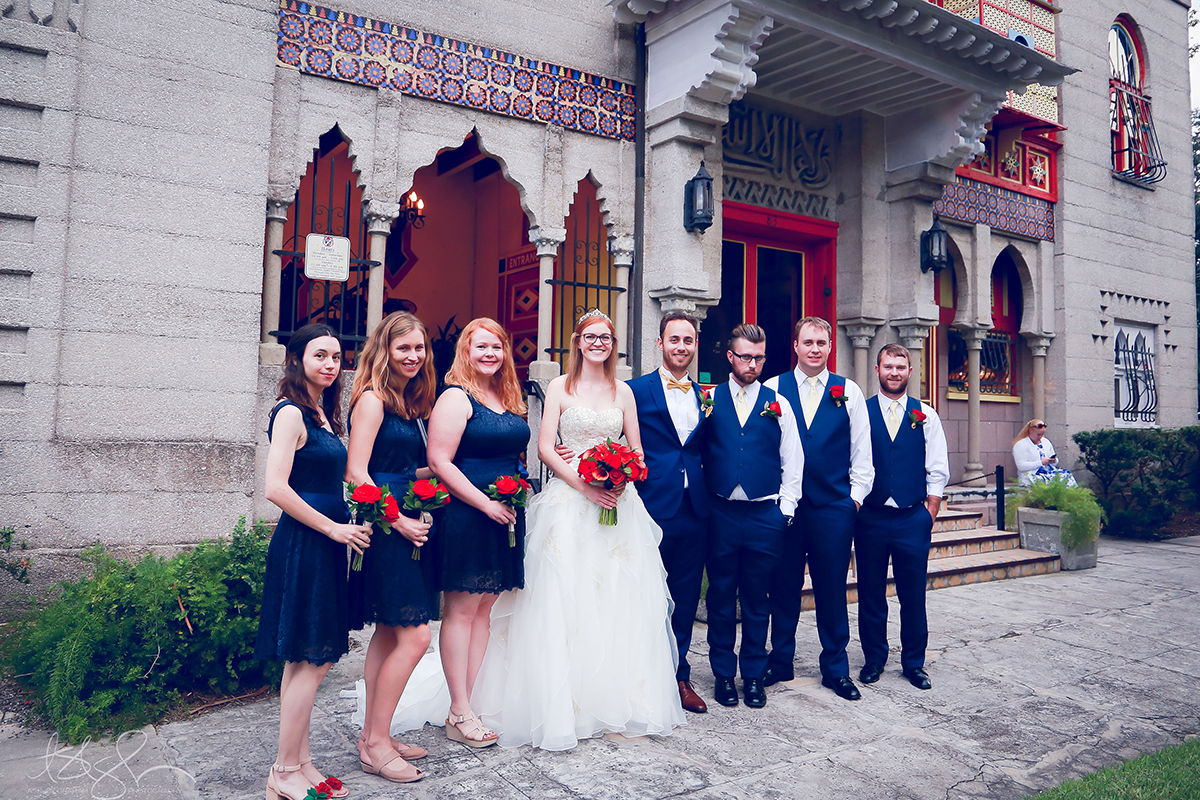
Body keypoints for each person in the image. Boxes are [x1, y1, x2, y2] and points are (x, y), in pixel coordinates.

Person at [473, 309, 685, 750]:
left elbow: (638, 449)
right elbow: (546, 448)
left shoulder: (623, 391)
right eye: (591, 336)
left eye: (606, 338)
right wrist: (585, 485)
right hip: (572, 501)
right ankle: (566, 701)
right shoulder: (559, 387)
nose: (598, 344)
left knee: (616, 596)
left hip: (617, 505)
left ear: (613, 344)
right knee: (566, 597)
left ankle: (613, 695)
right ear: (577, 341)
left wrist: (624, 472)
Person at [257, 323, 371, 800]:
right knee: (315, 659)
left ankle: (300, 762)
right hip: (306, 544)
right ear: (297, 358)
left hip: (326, 544)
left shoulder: (321, 413)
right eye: (319, 355)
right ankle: (283, 770)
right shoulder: (289, 413)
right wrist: (333, 528)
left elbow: (342, 474)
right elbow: (276, 488)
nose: (330, 364)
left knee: (303, 658)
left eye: (336, 357)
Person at [344, 312, 438, 783]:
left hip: (404, 518)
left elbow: (400, 466)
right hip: (384, 526)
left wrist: (437, 475)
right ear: (384, 349)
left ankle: (372, 734)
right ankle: (377, 745)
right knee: (417, 635)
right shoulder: (372, 400)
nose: (413, 356)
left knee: (388, 631)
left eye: (419, 348)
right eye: (404, 348)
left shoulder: (405, 401)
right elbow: (357, 472)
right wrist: (398, 520)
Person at [427, 317, 529, 748]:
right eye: (481, 346)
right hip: (469, 515)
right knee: (461, 612)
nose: (490, 354)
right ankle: (460, 709)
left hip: (505, 515)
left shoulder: (505, 396)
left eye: (498, 347)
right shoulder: (456, 397)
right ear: (466, 352)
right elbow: (440, 461)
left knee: (485, 609)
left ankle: (463, 706)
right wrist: (485, 503)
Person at [763, 316, 874, 701]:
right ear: (795, 345)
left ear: (830, 347)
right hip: (787, 507)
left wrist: (853, 501)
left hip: (832, 508)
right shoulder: (773, 388)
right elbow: (765, 448)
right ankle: (780, 661)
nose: (814, 349)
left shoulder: (850, 392)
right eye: (807, 342)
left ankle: (836, 669)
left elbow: (862, 452)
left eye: (821, 343)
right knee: (783, 586)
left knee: (831, 589)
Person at [701, 324, 803, 709]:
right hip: (722, 512)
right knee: (722, 597)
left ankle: (754, 676)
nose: (752, 364)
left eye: (759, 357)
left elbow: (793, 460)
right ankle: (724, 675)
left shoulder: (778, 403)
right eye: (745, 356)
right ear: (730, 357)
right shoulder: (708, 399)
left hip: (765, 514)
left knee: (759, 600)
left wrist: (784, 511)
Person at [625, 310, 711, 714]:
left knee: (684, 596)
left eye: (688, 340)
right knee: (643, 595)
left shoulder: (706, 395)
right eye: (674, 339)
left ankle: (679, 677)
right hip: (649, 507)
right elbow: (613, 436)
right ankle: (638, 679)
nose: (681, 347)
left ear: (695, 346)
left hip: (695, 510)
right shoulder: (634, 391)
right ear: (659, 343)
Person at [855, 344, 949, 692]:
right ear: (877, 370)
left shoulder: (926, 414)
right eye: (888, 366)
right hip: (872, 518)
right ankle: (874, 658)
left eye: (900, 367)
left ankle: (914, 662)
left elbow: (937, 465)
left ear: (911, 372)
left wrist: (931, 509)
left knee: (913, 594)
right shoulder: (860, 413)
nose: (894, 372)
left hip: (912, 517)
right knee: (870, 592)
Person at [1012, 420, 1077, 487]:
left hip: (1049, 472)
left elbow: (1055, 462)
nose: (1040, 437)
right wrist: (1041, 462)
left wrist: (1053, 460)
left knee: (1067, 475)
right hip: (1032, 475)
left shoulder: (1046, 442)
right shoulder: (1021, 445)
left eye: (1042, 434)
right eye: (1038, 434)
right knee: (1047, 481)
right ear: (1030, 430)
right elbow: (1021, 466)